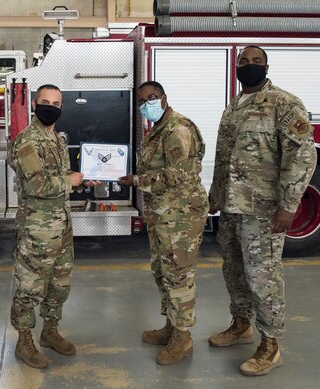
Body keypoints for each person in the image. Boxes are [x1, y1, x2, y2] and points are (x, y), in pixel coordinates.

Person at [207, 45, 317, 376]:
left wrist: (288, 204)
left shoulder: (284, 103)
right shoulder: (235, 106)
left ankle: (271, 345)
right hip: (231, 208)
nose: (249, 66)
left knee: (263, 277)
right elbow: (225, 157)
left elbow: (301, 157)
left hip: (263, 211)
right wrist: (215, 198)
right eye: (244, 61)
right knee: (234, 269)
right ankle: (241, 324)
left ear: (267, 66)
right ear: (236, 66)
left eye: (256, 62)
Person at [118, 81, 209, 365]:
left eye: (152, 98)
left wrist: (136, 181)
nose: (147, 104)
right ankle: (172, 325)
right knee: (162, 271)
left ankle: (183, 337)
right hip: (163, 215)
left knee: (179, 274)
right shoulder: (157, 130)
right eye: (143, 100)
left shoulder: (177, 129)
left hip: (180, 216)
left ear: (164, 98)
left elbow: (177, 175)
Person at [8, 84, 92, 369]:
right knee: (30, 288)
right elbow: (37, 184)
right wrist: (71, 181)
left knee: (59, 285)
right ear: (34, 104)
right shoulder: (27, 141)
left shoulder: (55, 138)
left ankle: (50, 331)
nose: (51, 107)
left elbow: (57, 175)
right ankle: (24, 341)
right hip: (38, 231)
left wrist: (80, 176)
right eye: (45, 101)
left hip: (62, 226)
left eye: (56, 103)